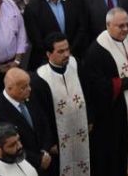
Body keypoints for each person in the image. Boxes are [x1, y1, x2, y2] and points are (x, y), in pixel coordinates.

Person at [80, 7, 128, 176]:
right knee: (120, 148)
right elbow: (96, 86)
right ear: (108, 25)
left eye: (127, 24)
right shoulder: (97, 50)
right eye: (121, 26)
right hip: (117, 112)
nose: (126, 29)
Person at [29, 32, 90, 176]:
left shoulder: (75, 64)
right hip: (58, 136)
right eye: (60, 51)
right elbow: (40, 115)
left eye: (67, 49)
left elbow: (88, 92)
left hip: (80, 128)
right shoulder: (40, 78)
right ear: (48, 54)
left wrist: (90, 118)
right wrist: (49, 142)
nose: (66, 54)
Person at [0, 67, 55, 173]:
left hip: (47, 158)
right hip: (24, 164)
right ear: (9, 88)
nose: (29, 89)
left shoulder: (29, 96)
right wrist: (38, 160)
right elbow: (9, 144)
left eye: (28, 85)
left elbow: (43, 121)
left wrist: (46, 149)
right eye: (23, 87)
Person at [23, 0, 88, 70]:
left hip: (74, 55)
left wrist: (69, 51)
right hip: (48, 60)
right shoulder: (32, 8)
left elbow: (82, 27)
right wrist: (56, 55)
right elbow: (36, 39)